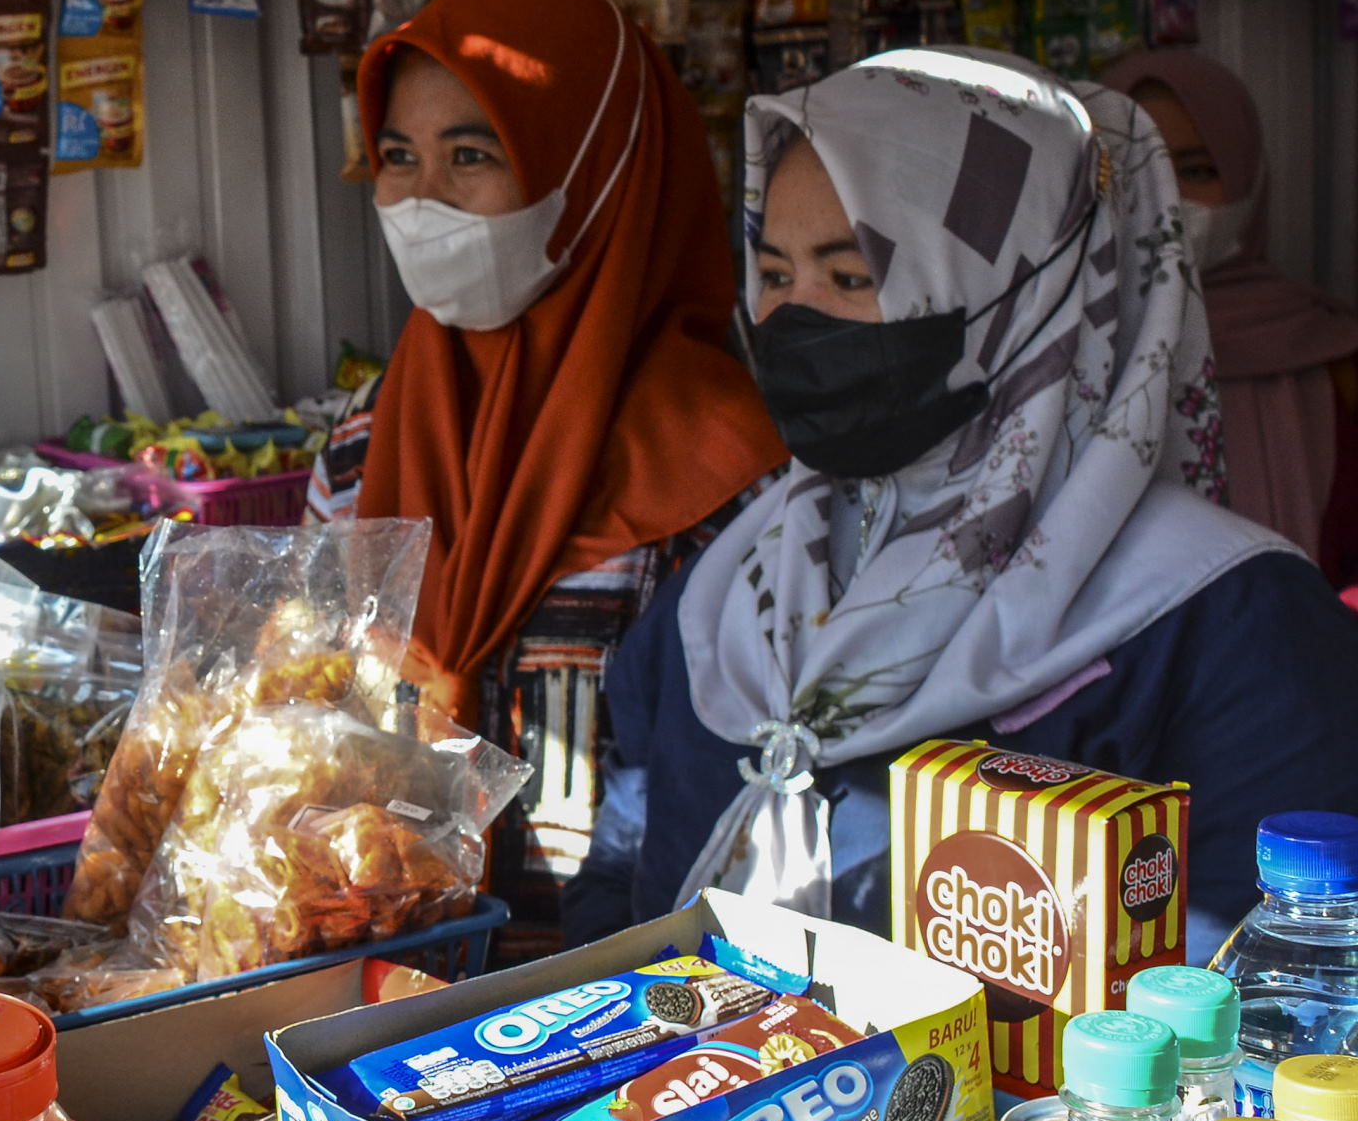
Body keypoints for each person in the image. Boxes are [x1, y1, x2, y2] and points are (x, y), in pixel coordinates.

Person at [570, 47, 1358, 959]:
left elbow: (1276, 975)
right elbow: (616, 882)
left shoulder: (1227, 623)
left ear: (1023, 291)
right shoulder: (730, 592)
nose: (792, 321)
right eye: (776, 275)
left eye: (852, 277)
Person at [308, 0, 787, 953]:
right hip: (383, 985)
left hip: (633, 1003)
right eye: (398, 157)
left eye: (471, 154)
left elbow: (750, 804)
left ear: (598, 170)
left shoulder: (730, 471)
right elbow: (305, 707)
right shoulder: (362, 441)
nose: (421, 199)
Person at [1104, 50, 1358, 583]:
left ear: (1248, 177)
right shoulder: (1069, 362)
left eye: (1197, 170)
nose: (1168, 198)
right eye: (1137, 171)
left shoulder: (1336, 362)